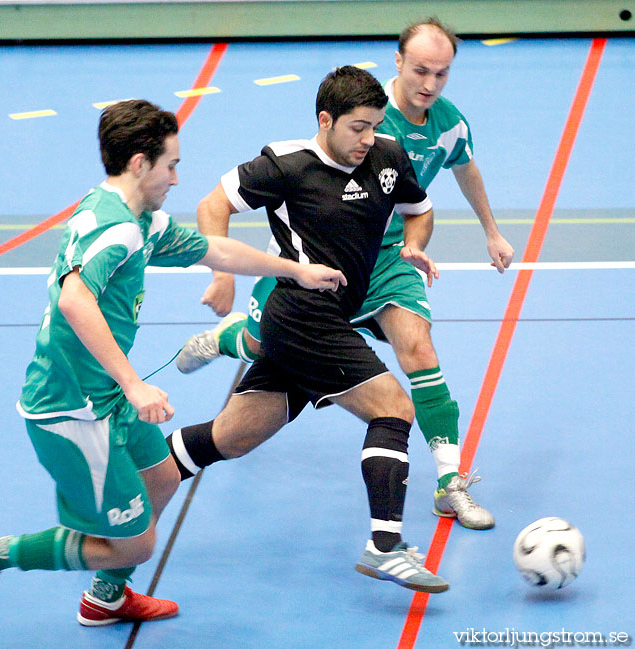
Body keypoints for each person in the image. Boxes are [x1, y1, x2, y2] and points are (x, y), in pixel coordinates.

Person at [0, 99, 345, 633]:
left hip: (102, 398)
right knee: (133, 543)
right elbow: (74, 300)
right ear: (139, 163)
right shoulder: (117, 230)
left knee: (160, 479)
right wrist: (134, 386)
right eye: (171, 165)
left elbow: (213, 251)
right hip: (72, 410)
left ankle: (105, 601)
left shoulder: (139, 219)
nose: (178, 178)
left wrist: (295, 271)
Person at [176, 18, 514, 530]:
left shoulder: (447, 124)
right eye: (421, 70)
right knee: (263, 345)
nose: (430, 84)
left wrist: (482, 232)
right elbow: (258, 189)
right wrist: (223, 272)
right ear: (398, 62)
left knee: (417, 348)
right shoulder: (358, 114)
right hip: (317, 266)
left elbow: (456, 176)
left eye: (442, 74)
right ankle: (227, 340)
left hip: (390, 260)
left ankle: (449, 483)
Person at [167, 65, 450, 593]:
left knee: (232, 437)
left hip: (328, 320)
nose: (369, 139)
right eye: (357, 128)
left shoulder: (387, 155)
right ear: (326, 120)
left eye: (374, 126)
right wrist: (221, 273)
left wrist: (415, 244)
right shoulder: (286, 165)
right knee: (394, 406)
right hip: (301, 315)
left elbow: (419, 209)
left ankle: (141, 473)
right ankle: (385, 547)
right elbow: (212, 205)